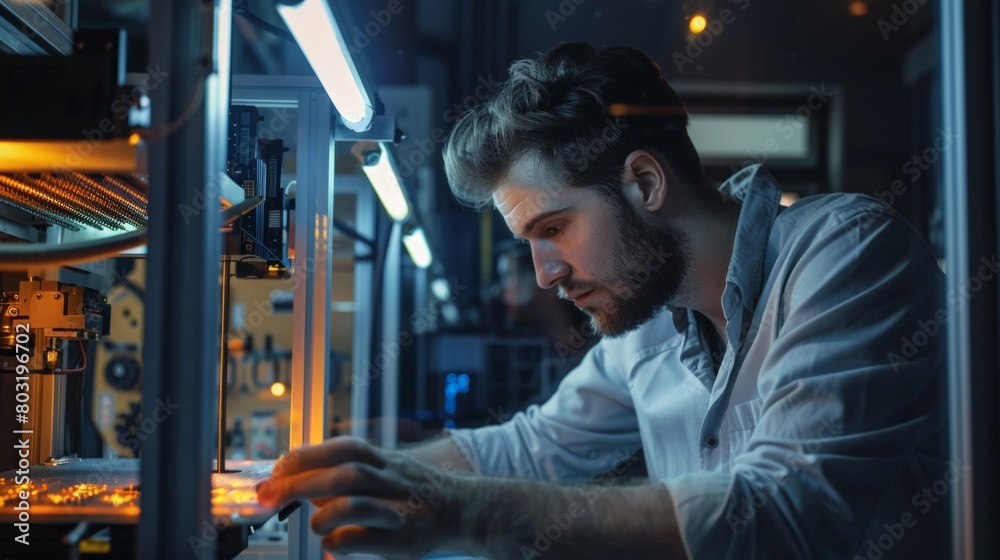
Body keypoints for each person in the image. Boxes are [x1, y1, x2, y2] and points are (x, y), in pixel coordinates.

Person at [255, 43, 949, 559]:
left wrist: (464, 512)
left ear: (645, 183)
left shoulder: (845, 253)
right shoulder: (647, 325)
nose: (546, 274)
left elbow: (783, 510)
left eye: (553, 228)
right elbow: (531, 447)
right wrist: (338, 469)